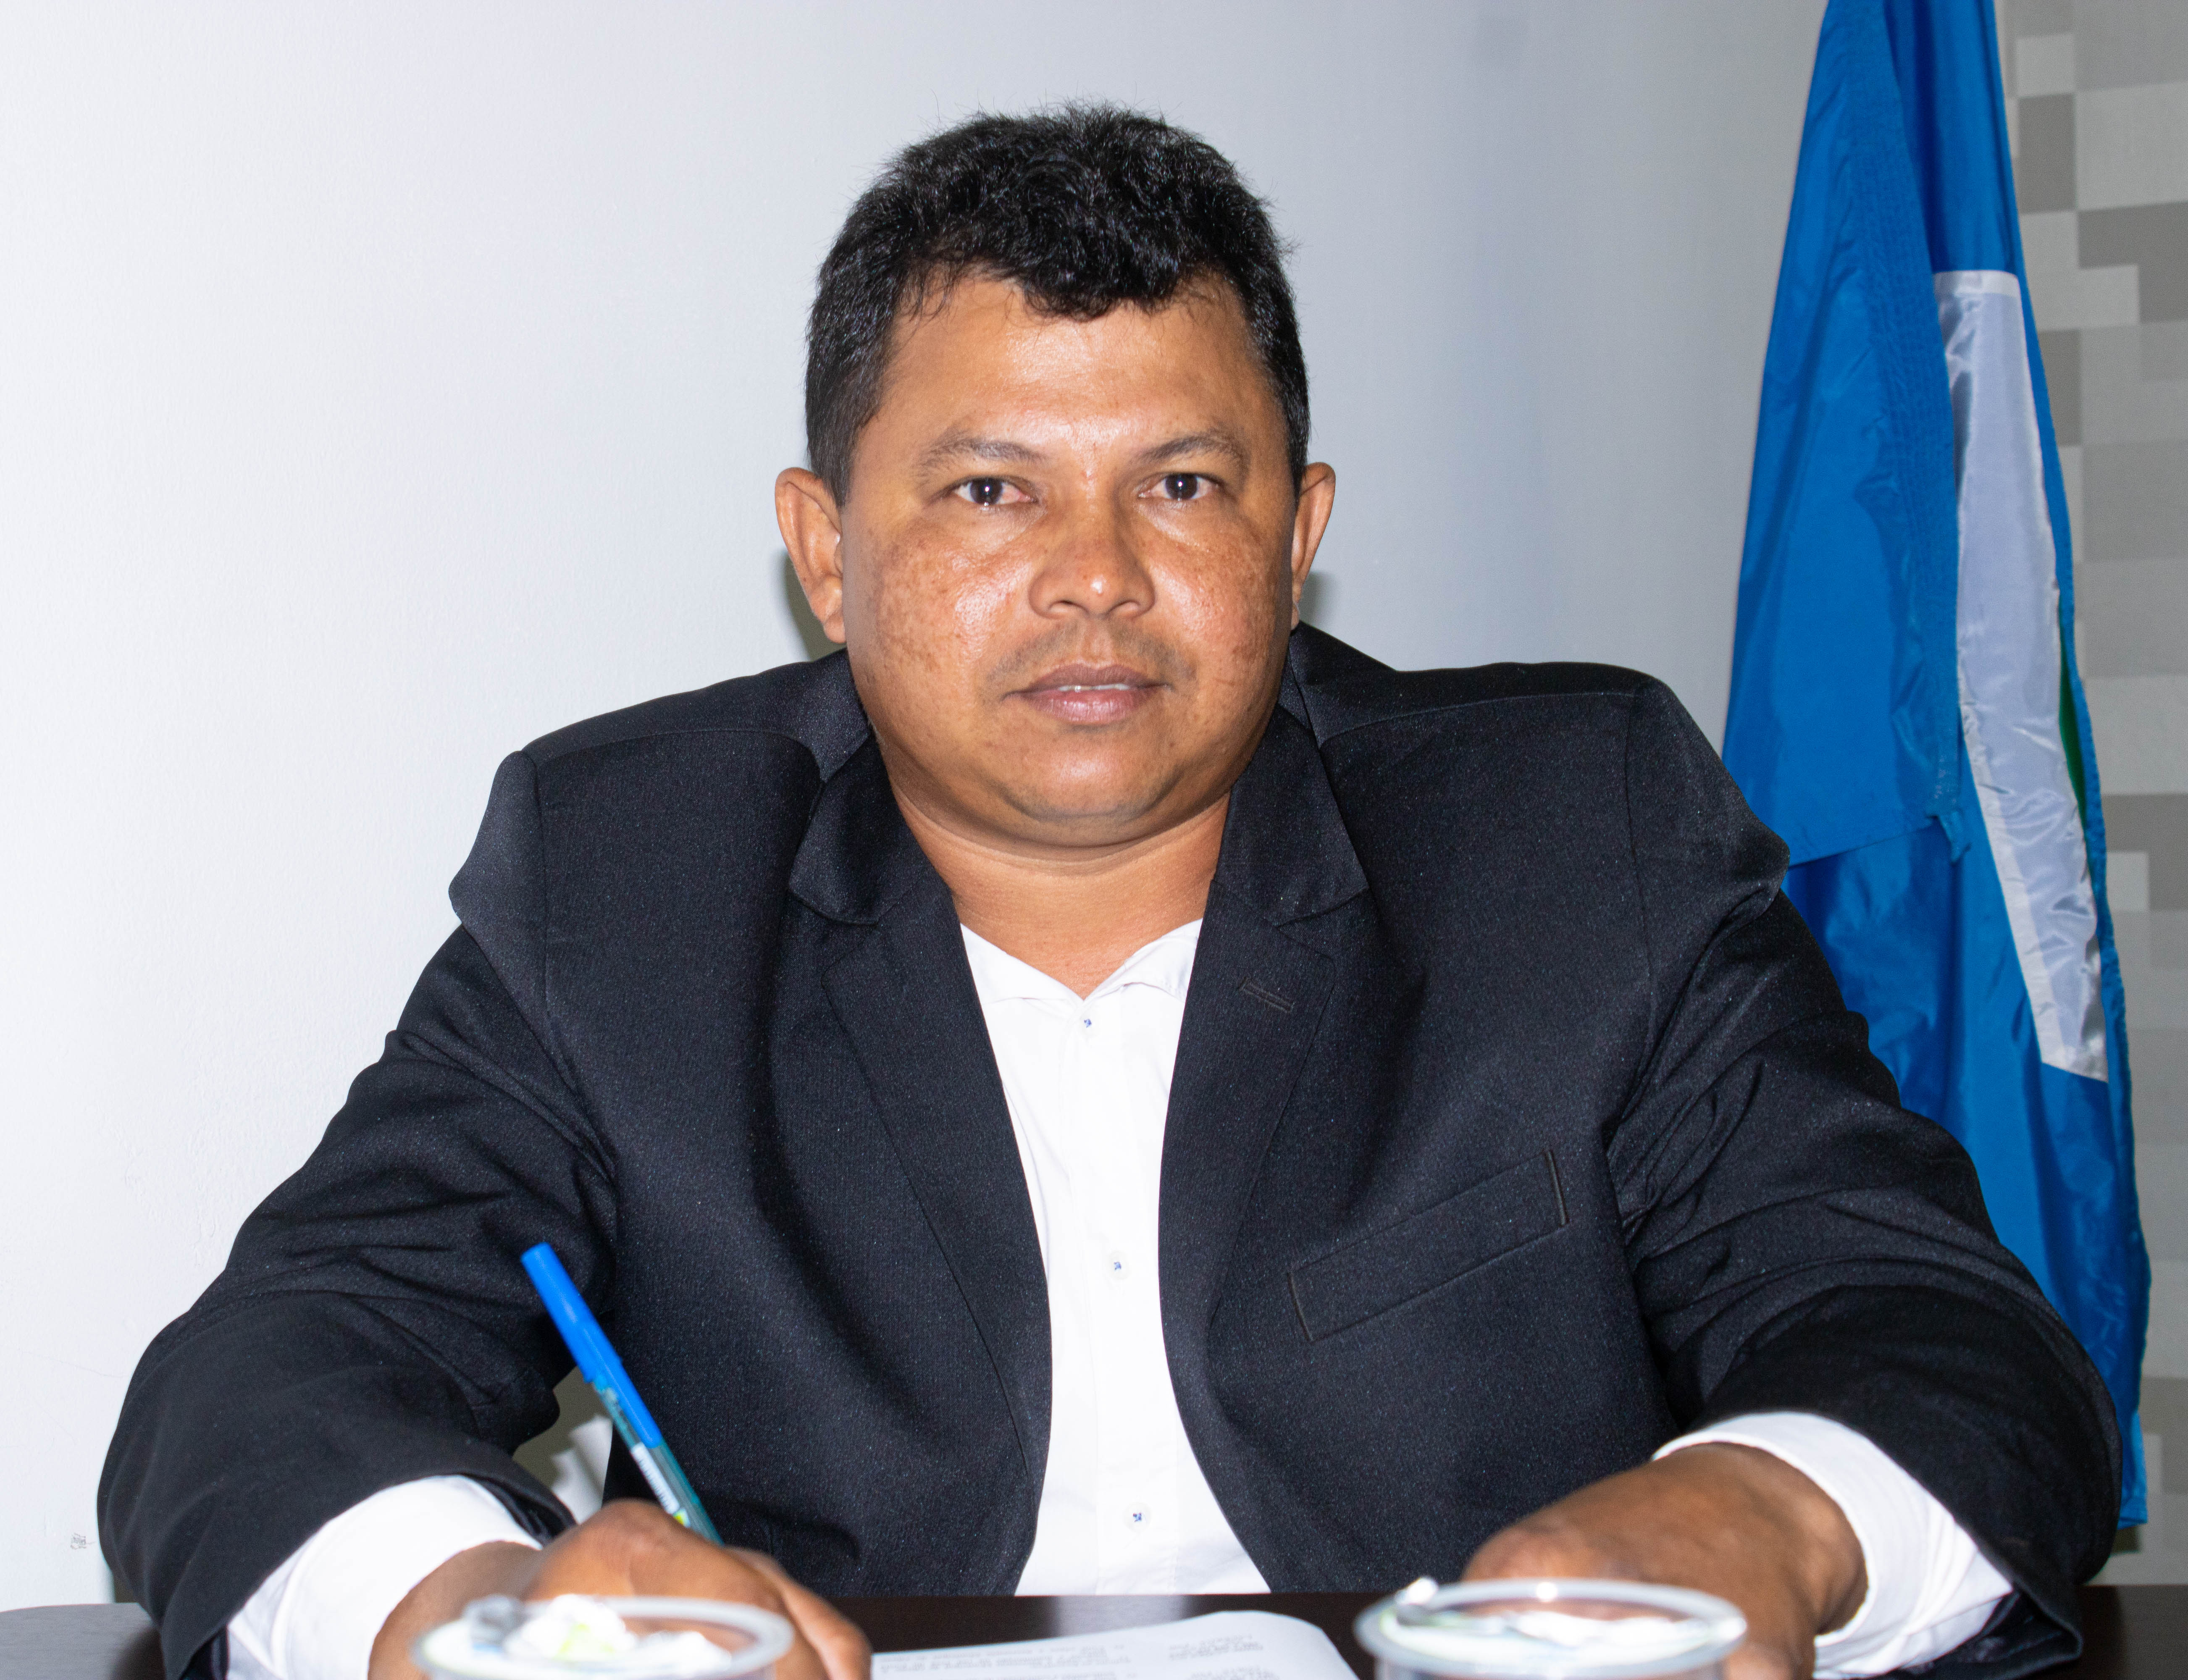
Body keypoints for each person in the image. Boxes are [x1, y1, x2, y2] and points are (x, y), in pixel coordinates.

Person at [100, 106, 2117, 1680]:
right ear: (825, 547)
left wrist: (1759, 1517)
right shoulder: (628, 874)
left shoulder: (1569, 833)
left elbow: (1932, 1326)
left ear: (1296, 536)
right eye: (990, 490)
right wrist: (467, 1606)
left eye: (1183, 484)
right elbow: (273, 1366)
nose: (1094, 575)